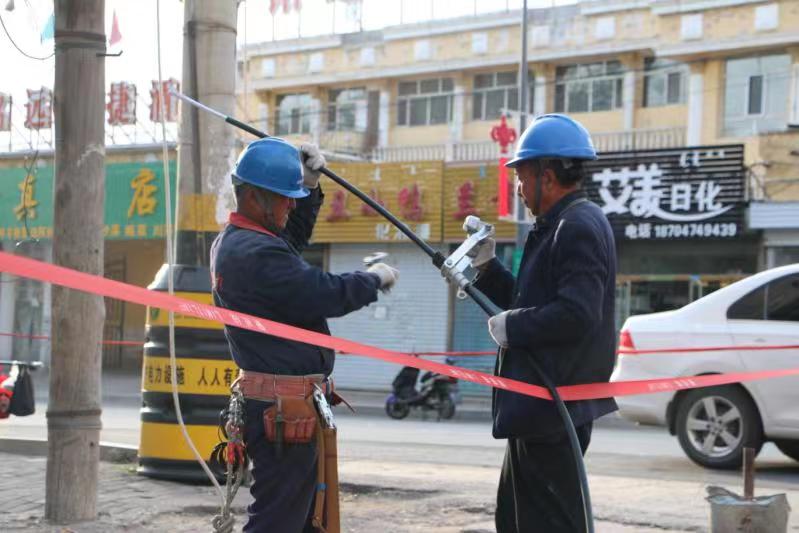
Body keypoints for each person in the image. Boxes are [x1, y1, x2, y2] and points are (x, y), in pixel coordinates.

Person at [210, 137, 399, 532]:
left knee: (306, 519)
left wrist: (310, 187)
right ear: (258, 198)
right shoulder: (255, 254)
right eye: (286, 197)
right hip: (283, 410)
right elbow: (322, 292)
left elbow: (289, 239)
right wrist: (372, 280)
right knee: (279, 521)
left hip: (288, 405)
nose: (291, 204)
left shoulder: (242, 242)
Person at [467, 114, 618, 533]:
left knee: (545, 525)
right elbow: (532, 301)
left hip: (553, 408)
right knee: (515, 520)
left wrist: (513, 327)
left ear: (546, 176)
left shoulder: (577, 226)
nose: (518, 187)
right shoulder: (560, 224)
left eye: (521, 176)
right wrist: (487, 269)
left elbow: (577, 313)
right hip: (537, 408)